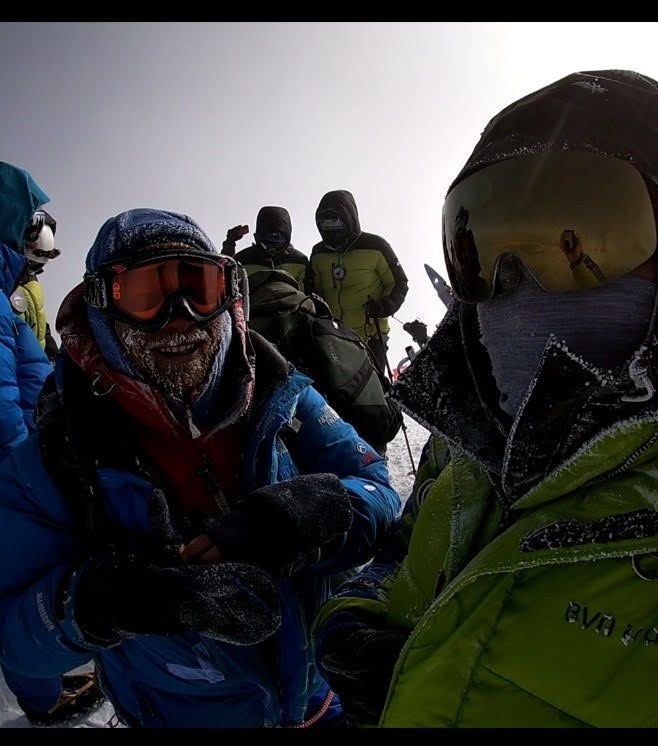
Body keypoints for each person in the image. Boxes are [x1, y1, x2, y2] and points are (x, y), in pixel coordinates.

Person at [313, 70, 658, 727]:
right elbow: (398, 555)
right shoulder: (463, 442)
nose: (518, 283)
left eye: (581, 236)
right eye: (485, 249)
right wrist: (356, 617)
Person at [0, 207, 400, 728]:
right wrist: (103, 605)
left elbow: (377, 487)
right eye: (146, 294)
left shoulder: (283, 399)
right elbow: (14, 637)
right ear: (103, 306)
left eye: (199, 288)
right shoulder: (61, 456)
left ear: (228, 295)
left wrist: (315, 513)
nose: (180, 316)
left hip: (320, 701)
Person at [0, 161, 104, 725]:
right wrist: (29, 466)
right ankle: (42, 697)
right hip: (20, 466)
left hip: (30, 453)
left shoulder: (6, 295)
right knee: (26, 570)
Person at [247, 267, 402, 453]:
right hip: (352, 455)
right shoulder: (326, 329)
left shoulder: (235, 338)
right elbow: (384, 424)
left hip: (263, 458)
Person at [306, 190, 408, 375]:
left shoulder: (376, 246)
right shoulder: (318, 253)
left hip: (372, 335)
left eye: (336, 221)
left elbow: (399, 282)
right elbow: (313, 289)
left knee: (372, 385)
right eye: (326, 223)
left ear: (349, 218)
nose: (331, 228)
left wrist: (386, 305)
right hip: (334, 334)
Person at [10, 208, 61, 364]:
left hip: (36, 368)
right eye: (31, 262)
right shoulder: (7, 286)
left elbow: (41, 326)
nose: (33, 268)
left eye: (37, 265)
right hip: (17, 367)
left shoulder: (32, 285)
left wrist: (53, 356)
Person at [223, 206, 309, 290]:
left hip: (293, 299)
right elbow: (224, 278)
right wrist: (229, 244)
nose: (274, 242)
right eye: (269, 237)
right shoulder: (243, 259)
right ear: (259, 236)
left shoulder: (299, 260)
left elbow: (308, 291)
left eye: (279, 237)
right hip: (254, 299)